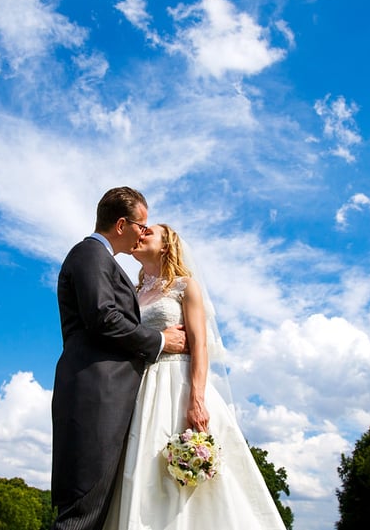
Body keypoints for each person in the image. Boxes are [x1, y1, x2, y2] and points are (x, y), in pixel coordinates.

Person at [103, 223, 287, 529]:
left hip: (178, 383)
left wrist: (197, 399)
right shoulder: (132, 294)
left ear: (165, 246)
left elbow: (200, 344)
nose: (140, 234)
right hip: (139, 388)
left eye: (149, 231)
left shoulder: (185, 286)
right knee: (140, 469)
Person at [51, 187, 189, 530]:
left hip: (111, 397)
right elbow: (103, 318)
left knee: (95, 513)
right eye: (141, 225)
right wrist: (160, 340)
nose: (143, 232)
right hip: (95, 395)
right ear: (122, 224)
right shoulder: (90, 255)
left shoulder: (104, 262)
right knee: (81, 514)